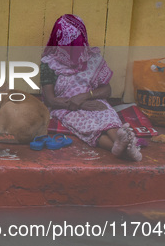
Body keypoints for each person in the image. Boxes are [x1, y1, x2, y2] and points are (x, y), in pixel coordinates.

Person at [40, 14, 142, 161]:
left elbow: (107, 90)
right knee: (88, 125)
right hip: (66, 107)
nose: (75, 50)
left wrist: (85, 96)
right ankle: (126, 150)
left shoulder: (92, 58)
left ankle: (121, 141)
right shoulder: (49, 63)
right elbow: (50, 100)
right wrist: (78, 103)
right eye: (70, 46)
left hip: (92, 100)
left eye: (78, 44)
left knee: (107, 116)